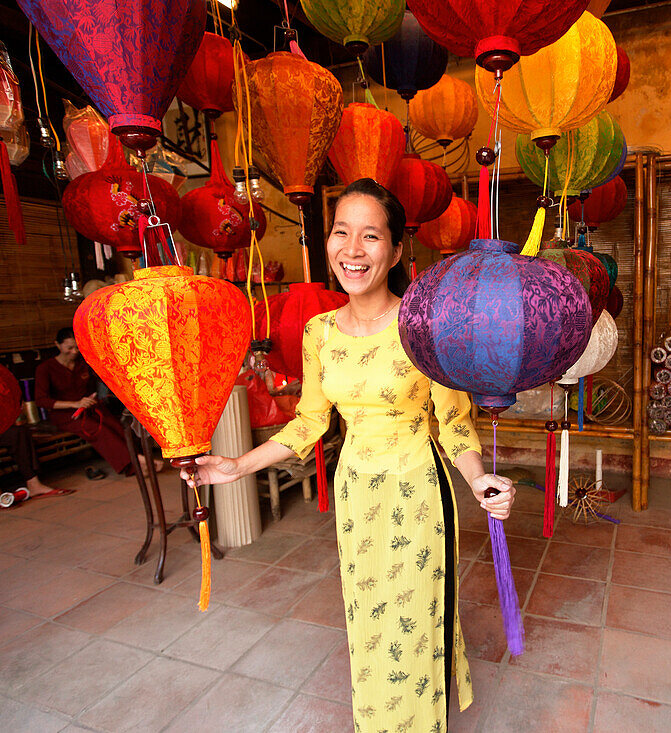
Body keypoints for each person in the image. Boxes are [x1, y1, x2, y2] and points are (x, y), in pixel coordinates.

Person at [182, 178, 516, 730]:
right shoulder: (318, 332)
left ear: (396, 249)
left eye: (371, 236)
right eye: (341, 233)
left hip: (418, 491)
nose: (352, 250)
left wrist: (479, 481)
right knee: (367, 619)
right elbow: (311, 421)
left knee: (412, 619)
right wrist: (236, 465)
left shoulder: (426, 326)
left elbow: (455, 425)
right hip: (357, 492)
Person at [35, 327, 154, 476]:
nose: (74, 351)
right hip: (66, 415)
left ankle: (140, 459)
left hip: (90, 407)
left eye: (77, 347)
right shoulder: (45, 368)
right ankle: (136, 463)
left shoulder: (82, 363)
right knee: (98, 430)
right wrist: (75, 404)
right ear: (57, 345)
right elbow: (41, 400)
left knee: (116, 426)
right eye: (69, 348)